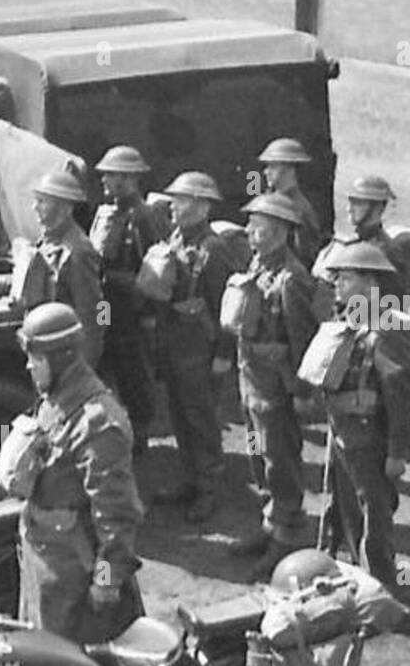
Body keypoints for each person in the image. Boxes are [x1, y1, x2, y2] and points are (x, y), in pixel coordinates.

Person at [0, 300, 143, 647]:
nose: (29, 367)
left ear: (59, 358)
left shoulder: (97, 422)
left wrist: (106, 582)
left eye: (36, 358)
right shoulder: (57, 399)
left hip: (74, 578)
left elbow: (118, 514)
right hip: (46, 565)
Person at [308, 243, 410, 584]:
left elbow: (402, 396)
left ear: (369, 282)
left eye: (345, 278)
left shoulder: (387, 330)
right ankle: (352, 571)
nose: (337, 285)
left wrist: (397, 452)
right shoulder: (348, 320)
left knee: (375, 516)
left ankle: (381, 586)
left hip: (370, 435)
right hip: (342, 430)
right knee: (345, 509)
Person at [225, 192, 321, 579]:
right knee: (257, 455)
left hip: (276, 389)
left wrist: (301, 392)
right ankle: (270, 520)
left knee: (280, 461)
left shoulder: (292, 279)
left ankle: (287, 532)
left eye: (257, 226)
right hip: (252, 384)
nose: (249, 231)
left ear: (280, 232)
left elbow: (302, 339)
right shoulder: (259, 265)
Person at [145, 171, 234, 524]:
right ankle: (189, 479)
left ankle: (209, 489)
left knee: (201, 420)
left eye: (180, 201)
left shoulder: (214, 251)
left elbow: (227, 311)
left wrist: (224, 357)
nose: (172, 206)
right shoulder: (177, 238)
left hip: (199, 350)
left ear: (200, 206)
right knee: (180, 416)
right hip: (174, 345)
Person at [89, 144, 169, 455]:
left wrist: (148, 314)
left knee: (135, 370)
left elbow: (153, 271)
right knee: (107, 358)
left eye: (110, 175)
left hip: (133, 310)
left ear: (128, 178)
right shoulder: (111, 213)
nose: (104, 181)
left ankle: (141, 435)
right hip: (108, 306)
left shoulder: (142, 217)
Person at [18, 168, 105, 367]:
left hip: (67, 357)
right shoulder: (47, 241)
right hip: (46, 349)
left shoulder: (79, 251)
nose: (35, 207)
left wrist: (88, 362)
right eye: (36, 200)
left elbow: (96, 310)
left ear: (65, 209)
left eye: (42, 202)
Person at [313, 175, 410, 300]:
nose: (349, 208)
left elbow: (392, 302)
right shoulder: (346, 244)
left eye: (358, 203)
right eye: (350, 201)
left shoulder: (386, 252)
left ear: (377, 208)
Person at [258, 137, 326, 268]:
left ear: (289, 170)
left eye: (272, 166)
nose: (266, 172)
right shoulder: (270, 199)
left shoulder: (299, 209)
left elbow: (304, 256)